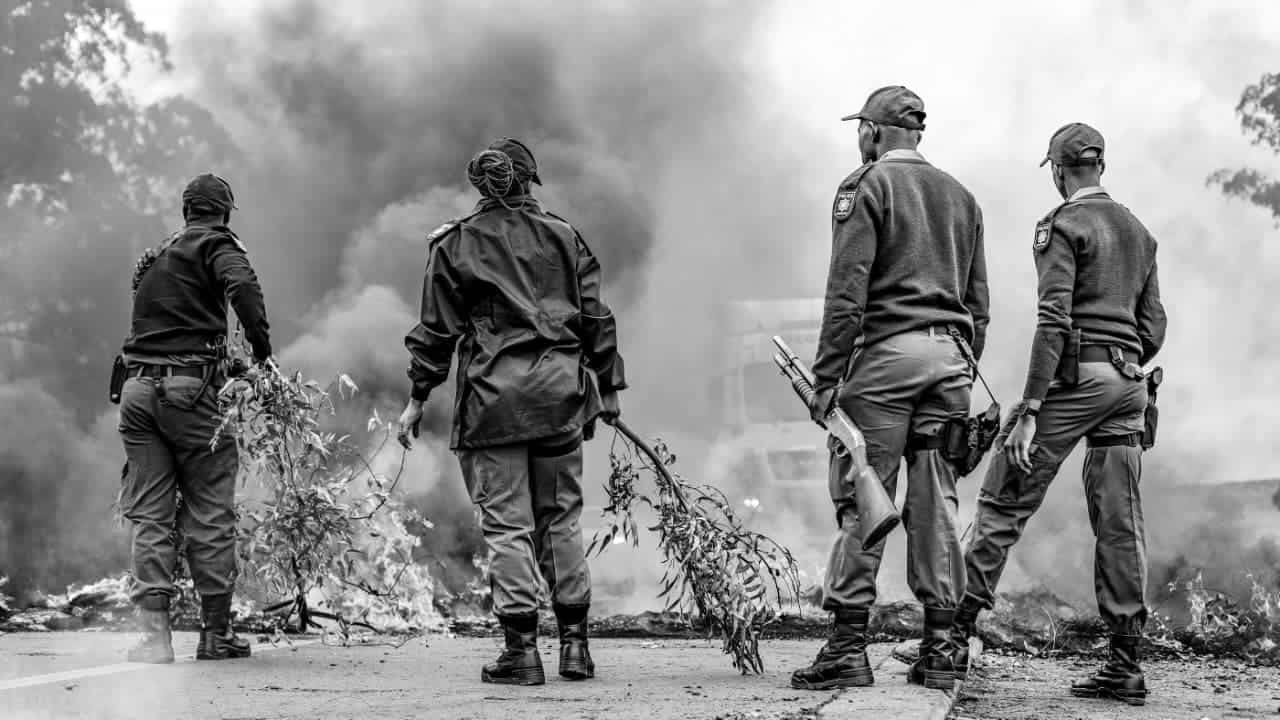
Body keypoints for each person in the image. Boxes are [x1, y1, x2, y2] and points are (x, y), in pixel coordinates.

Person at [396, 137, 626, 686]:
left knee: (508, 528)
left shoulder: (455, 243)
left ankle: (521, 654)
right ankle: (576, 649)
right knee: (561, 521)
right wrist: (609, 390)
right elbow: (596, 317)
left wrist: (416, 399)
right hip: (560, 401)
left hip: (493, 406)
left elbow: (436, 332)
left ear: (481, 185)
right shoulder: (565, 236)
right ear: (529, 181)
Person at [955, 123, 1166, 706]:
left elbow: (1054, 322)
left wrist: (1030, 409)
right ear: (1101, 166)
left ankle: (949, 642)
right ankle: (1125, 666)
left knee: (1003, 498)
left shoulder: (1062, 225)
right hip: (1130, 386)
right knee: (1121, 526)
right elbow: (1154, 329)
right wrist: (1121, 360)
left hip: (1077, 380)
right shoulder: (1140, 233)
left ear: (1057, 170)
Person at [791, 86, 989, 692]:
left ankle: (848, 648)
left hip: (885, 361)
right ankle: (941, 649)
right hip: (952, 363)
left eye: (860, 128)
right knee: (936, 504)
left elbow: (846, 291)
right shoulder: (962, 196)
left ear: (875, 132)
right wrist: (956, 360)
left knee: (863, 493)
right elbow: (979, 305)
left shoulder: (865, 186)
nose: (858, 137)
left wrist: (827, 378)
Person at [118, 173, 272, 663]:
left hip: (137, 391)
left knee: (150, 514)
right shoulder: (217, 245)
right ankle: (215, 634)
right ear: (224, 212)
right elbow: (243, 286)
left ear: (186, 211)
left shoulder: (158, 255)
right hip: (188, 391)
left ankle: (154, 640)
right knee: (209, 508)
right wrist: (261, 352)